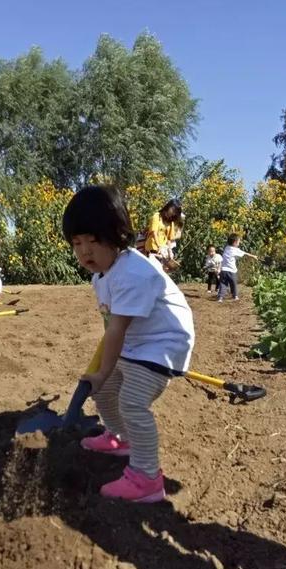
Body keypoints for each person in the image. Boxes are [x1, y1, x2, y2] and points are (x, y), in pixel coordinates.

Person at [62, 185, 195, 503]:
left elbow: (117, 330)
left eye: (94, 241)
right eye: (77, 243)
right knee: (106, 391)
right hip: (136, 343)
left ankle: (147, 479)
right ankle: (120, 438)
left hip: (163, 343)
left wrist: (101, 370)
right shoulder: (102, 276)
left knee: (132, 403)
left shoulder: (134, 272)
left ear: (117, 235)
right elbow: (111, 326)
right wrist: (101, 374)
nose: (85, 251)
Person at [143, 199, 183, 272]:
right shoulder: (157, 216)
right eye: (172, 210)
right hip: (152, 248)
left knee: (161, 272)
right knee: (152, 271)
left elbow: (169, 238)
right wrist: (159, 246)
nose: (172, 213)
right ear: (168, 206)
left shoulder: (171, 222)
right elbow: (153, 233)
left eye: (175, 212)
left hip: (163, 251)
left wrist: (169, 250)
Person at [218, 233, 258, 302]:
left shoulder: (226, 248)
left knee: (223, 284)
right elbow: (245, 253)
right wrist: (253, 256)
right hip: (231, 271)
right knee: (233, 284)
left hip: (223, 270)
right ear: (235, 242)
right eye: (239, 242)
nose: (239, 243)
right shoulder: (235, 250)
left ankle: (220, 298)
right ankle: (235, 296)